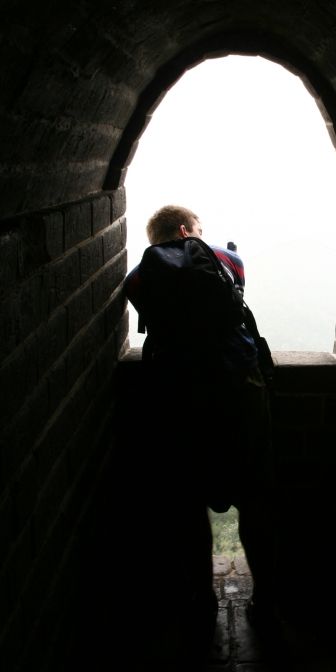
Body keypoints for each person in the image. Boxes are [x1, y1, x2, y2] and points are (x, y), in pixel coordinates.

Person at [124, 204, 280, 647]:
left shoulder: (140, 277)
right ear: (185, 230)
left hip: (179, 398)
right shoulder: (227, 259)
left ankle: (201, 600)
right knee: (255, 496)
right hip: (239, 389)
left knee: (187, 500)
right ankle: (266, 601)